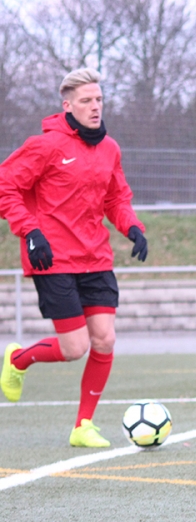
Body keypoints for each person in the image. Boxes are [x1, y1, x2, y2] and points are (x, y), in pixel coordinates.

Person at [0, 68, 149, 447]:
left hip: (95, 257)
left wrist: (132, 227)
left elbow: (116, 197)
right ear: (68, 106)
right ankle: (17, 360)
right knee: (75, 348)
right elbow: (6, 186)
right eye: (86, 101)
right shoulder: (45, 146)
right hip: (53, 259)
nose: (95, 106)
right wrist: (30, 232)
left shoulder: (110, 148)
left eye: (99, 99)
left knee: (104, 339)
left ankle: (83, 425)